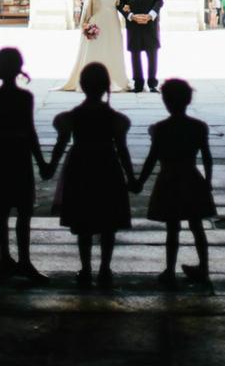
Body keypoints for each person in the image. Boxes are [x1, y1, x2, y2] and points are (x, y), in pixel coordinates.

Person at [47, 62, 135, 288]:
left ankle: (86, 269)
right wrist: (132, 178)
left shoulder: (71, 117)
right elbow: (122, 151)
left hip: (81, 167)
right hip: (107, 166)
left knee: (83, 222)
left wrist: (50, 166)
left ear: (82, 86)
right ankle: (105, 268)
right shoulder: (115, 119)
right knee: (108, 223)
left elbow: (61, 144)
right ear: (106, 86)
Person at [0, 48, 48, 282]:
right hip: (19, 152)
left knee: (2, 210)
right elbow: (30, 130)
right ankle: (24, 260)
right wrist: (42, 161)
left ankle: (4, 258)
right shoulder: (25, 98)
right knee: (24, 210)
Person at [134, 78, 215, 289]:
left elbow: (152, 159)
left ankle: (169, 270)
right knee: (197, 226)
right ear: (188, 100)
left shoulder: (160, 129)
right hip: (191, 177)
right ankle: (204, 268)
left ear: (165, 101)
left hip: (169, 179)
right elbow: (207, 157)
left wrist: (140, 181)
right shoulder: (199, 127)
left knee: (172, 228)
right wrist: (208, 180)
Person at [60, 0, 130, 91]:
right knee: (96, 49)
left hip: (113, 22)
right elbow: (87, 5)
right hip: (97, 20)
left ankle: (115, 79)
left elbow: (121, 3)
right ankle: (91, 80)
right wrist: (85, 24)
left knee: (112, 49)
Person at [119, 0, 164, 92]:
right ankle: (138, 84)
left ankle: (152, 84)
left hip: (150, 24)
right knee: (135, 54)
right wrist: (131, 16)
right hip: (133, 25)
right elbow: (121, 5)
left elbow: (159, 0)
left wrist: (151, 15)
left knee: (152, 54)